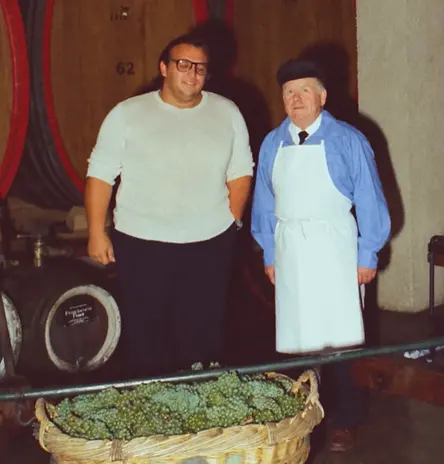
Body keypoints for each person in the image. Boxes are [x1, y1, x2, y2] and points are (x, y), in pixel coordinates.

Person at [85, 31, 254, 377]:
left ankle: (201, 420)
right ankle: (153, 420)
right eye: (183, 64)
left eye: (200, 68)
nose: (192, 73)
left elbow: (241, 172)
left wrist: (231, 222)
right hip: (142, 242)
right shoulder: (128, 114)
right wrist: (96, 233)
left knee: (203, 337)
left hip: (208, 244)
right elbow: (100, 176)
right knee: (147, 339)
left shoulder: (227, 112)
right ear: (164, 67)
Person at [250, 58, 391, 452]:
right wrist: (269, 252)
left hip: (335, 248)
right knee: (300, 340)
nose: (296, 100)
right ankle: (303, 420)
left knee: (339, 339)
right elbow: (263, 202)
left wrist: (368, 253)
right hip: (291, 248)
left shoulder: (348, 140)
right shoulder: (272, 142)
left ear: (322, 96)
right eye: (289, 93)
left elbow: (370, 199)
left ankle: (344, 420)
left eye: (304, 91)